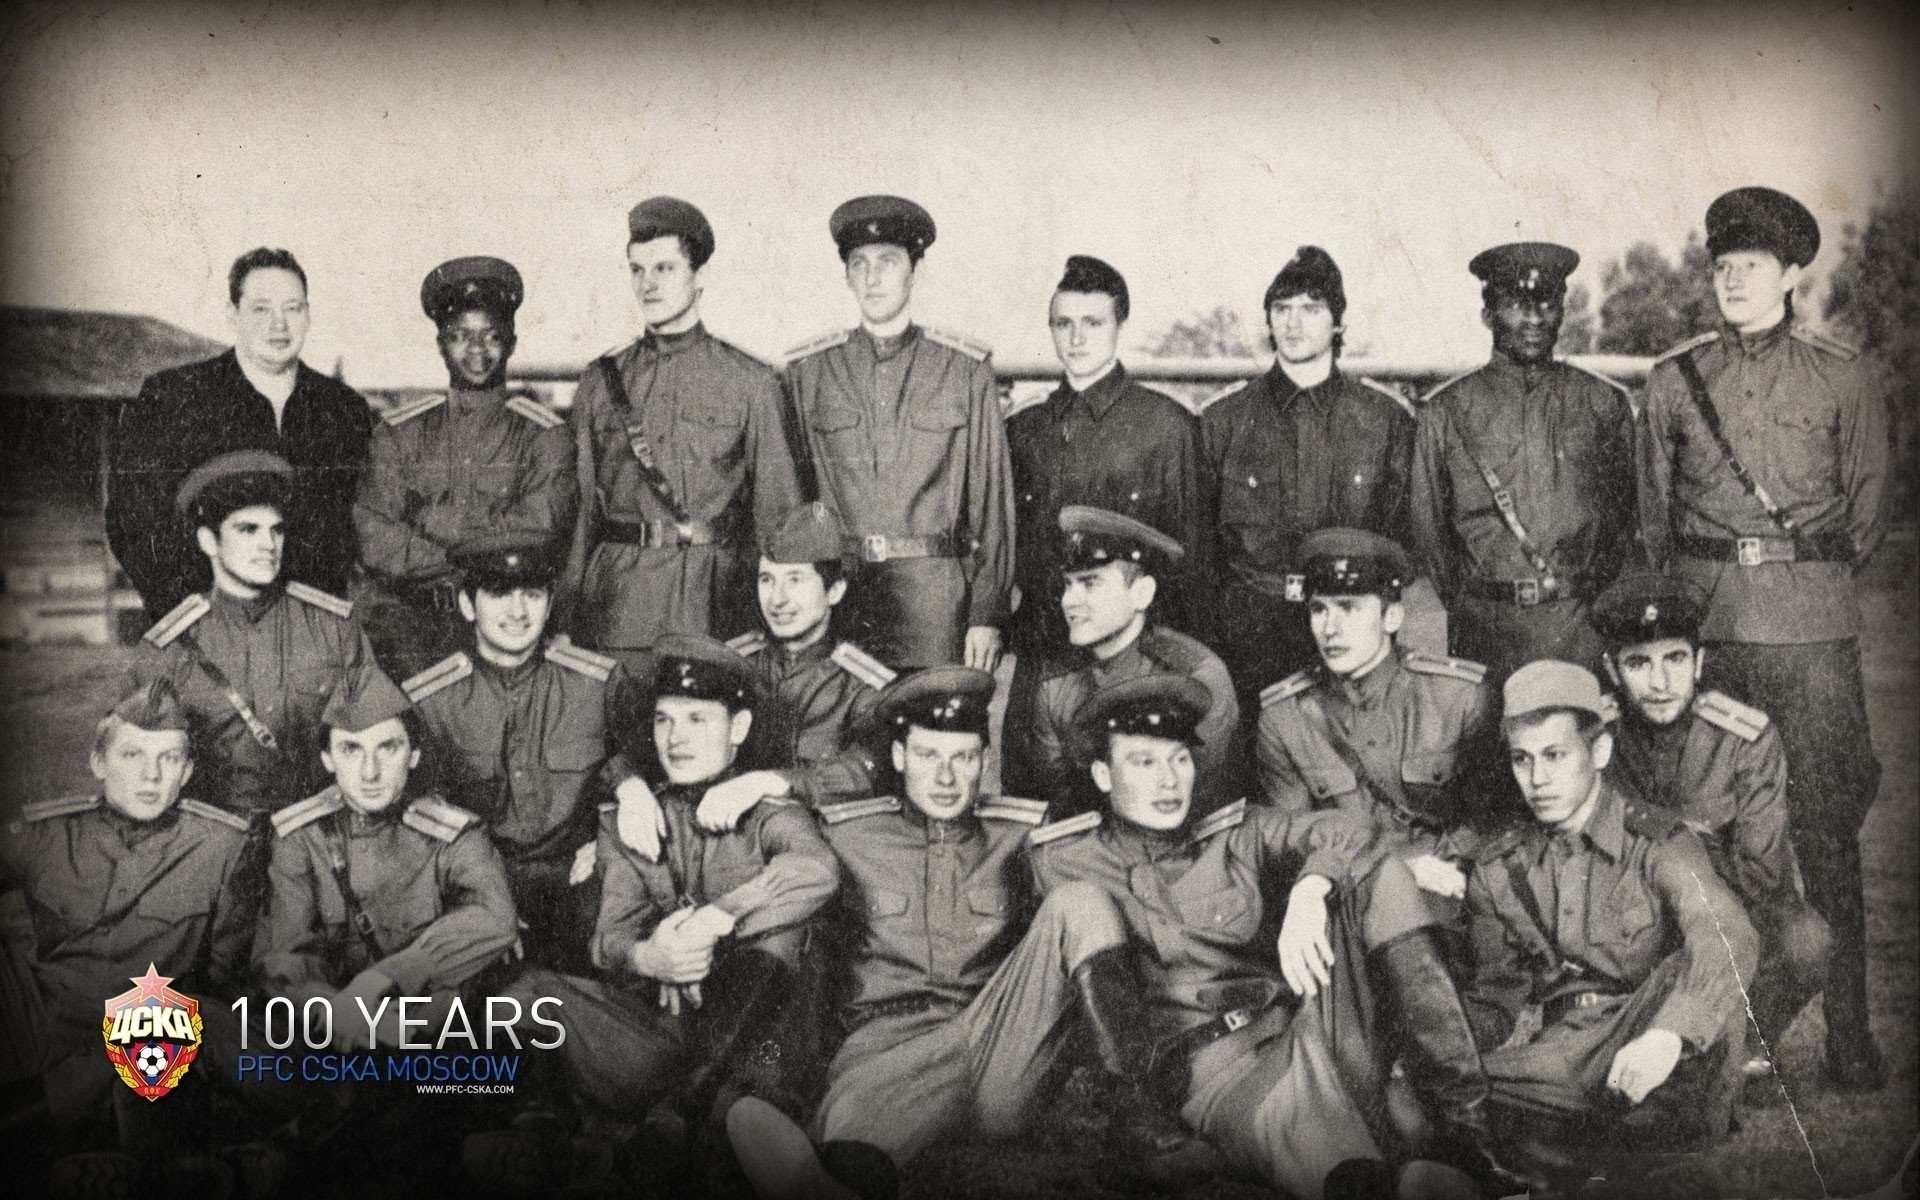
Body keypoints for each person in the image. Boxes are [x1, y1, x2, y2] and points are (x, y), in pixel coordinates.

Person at [726, 668, 1196, 1198]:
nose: (947, 777)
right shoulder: (847, 836)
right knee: (854, 1130)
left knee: (1081, 902)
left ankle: (1141, 1115)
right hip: (889, 1051)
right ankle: (834, 1173)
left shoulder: (1025, 834)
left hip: (997, 1042)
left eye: (965, 758)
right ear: (900, 758)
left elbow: (1112, 876)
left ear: (984, 763)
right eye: (929, 756)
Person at [1031, 675, 1494, 1200]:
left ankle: (1467, 1132)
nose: (1169, 781)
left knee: (1381, 873)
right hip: (1217, 1072)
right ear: (1102, 774)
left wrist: (1309, 891)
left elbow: (1347, 832)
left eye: (1180, 759)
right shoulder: (1062, 863)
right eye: (1144, 762)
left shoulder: (1236, 833)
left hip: (1308, 1026)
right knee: (1344, 1171)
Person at [1636, 185, 1889, 1091]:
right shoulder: (1674, 382)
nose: (1733, 278)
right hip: (1715, 635)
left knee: (1826, 836)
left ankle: (1851, 1038)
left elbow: (1863, 519)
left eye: (1753, 265)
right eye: (1722, 264)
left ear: (1791, 274)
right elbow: (1653, 524)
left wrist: (1787, 576)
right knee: (1702, 834)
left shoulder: (1842, 377)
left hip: (1814, 638)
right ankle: (1712, 1028)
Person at [484, 635, 839, 1182]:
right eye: (664, 721)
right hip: (665, 1037)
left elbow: (816, 871)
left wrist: (714, 923)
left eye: (698, 719)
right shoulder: (634, 818)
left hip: (756, 1053)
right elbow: (609, 939)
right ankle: (545, 1134)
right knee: (527, 995)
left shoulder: (770, 814)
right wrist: (652, 957)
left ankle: (685, 1125)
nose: (677, 738)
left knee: (785, 940)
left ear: (738, 730)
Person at [1464, 660, 1757, 1191]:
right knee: (1418, 1099)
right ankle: (1594, 1174)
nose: (1538, 779)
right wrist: (1435, 1041)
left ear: (1597, 752)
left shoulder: (1659, 843)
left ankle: (1582, 1170)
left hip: (1655, 1040)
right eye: (1522, 760)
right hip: (1564, 1062)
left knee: (1691, 968)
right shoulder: (1499, 870)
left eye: (1555, 756)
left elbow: (1729, 933)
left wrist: (1667, 1035)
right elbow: (1494, 1000)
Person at [1, 681, 258, 1193]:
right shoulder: (44, 835)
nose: (151, 775)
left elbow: (228, 969)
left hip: (149, 1041)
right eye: (132, 754)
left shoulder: (222, 846)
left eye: (169, 759)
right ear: (98, 762)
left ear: (186, 771)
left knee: (166, 1016)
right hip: (53, 1025)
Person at [1590, 572, 1833, 1088]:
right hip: (1630, 917)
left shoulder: (1744, 738)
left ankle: (1737, 1044)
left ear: (1699, 663)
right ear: (1612, 669)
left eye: (1675, 660)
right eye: (1639, 663)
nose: (1659, 683)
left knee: (1806, 940)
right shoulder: (1596, 735)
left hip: (1728, 910)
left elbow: (1764, 877)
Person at [565, 196, 805, 668]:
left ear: (701, 277)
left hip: (714, 601)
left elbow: (778, 514)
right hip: (620, 603)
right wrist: (568, 616)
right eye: (637, 270)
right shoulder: (602, 381)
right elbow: (579, 516)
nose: (648, 285)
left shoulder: (750, 382)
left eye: (664, 268)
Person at [1002, 254, 1207, 795]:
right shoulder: (1024, 431)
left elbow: (1193, 560)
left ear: (1119, 325)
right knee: (1033, 797)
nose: (1076, 338)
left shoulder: (1166, 427)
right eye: (1062, 323)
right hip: (1045, 654)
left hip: (1134, 657)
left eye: (1093, 322)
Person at [784, 195, 1013, 670]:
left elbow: (992, 504)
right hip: (843, 603)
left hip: (935, 607)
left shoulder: (962, 370)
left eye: (887, 262)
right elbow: (796, 503)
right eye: (859, 264)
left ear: (916, 271)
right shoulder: (811, 373)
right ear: (846, 276)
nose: (872, 277)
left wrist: (985, 614)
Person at [131, 451, 382, 872]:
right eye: (248, 529)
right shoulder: (169, 649)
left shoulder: (334, 628)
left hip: (321, 850)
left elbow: (378, 736)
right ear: (208, 541)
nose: (269, 545)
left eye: (277, 530)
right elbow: (136, 770)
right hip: (211, 855)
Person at [403, 533, 635, 970]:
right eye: (499, 594)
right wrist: (484, 901)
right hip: (480, 884)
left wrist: (613, 832)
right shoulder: (430, 700)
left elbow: (642, 771)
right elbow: (419, 817)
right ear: (468, 605)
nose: (518, 611)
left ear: (549, 604)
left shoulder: (599, 683)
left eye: (532, 594)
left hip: (577, 881)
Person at [1410, 242, 1638, 679]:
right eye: (1516, 305)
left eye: (1547, 304)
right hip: (1486, 630)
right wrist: (1476, 603)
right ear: (1488, 315)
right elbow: (1432, 536)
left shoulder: (1602, 403)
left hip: (1579, 629)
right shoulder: (1445, 412)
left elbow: (1623, 523)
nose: (1533, 319)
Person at [257, 666, 517, 1047]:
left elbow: (496, 918)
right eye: (351, 749)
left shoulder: (451, 833)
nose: (370, 771)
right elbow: (283, 960)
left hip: (427, 1036)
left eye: (388, 748)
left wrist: (385, 978)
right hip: (332, 1036)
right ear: (328, 758)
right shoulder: (300, 837)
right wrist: (333, 1009)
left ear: (414, 754)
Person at [1200, 246, 1418, 699]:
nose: (1293, 323)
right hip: (1250, 639)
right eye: (1281, 309)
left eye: (1311, 309)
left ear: (1338, 323)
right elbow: (1202, 550)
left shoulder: (1385, 422)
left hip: (1352, 638)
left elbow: (1405, 542)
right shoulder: (1223, 421)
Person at [108, 247, 371, 620]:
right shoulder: (175, 397)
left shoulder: (345, 410)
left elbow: (358, 527)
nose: (279, 325)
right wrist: (189, 614)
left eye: (293, 308)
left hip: (317, 635)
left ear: (308, 315)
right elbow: (131, 520)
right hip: (209, 630)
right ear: (233, 314)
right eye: (261, 309)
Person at [1255, 528, 1503, 920]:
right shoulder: (1284, 717)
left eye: (1348, 607)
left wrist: (1442, 865)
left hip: (1449, 889)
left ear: (1391, 616)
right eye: (1319, 609)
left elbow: (1489, 819)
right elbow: (1294, 840)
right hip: (1346, 899)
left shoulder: (1458, 697)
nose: (1329, 629)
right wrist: (1399, 869)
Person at [354, 256, 577, 681]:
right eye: (459, 336)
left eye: (491, 336)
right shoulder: (399, 434)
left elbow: (537, 533)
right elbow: (374, 536)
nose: (476, 350)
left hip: (503, 637)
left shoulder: (545, 437)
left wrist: (425, 528)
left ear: (511, 342)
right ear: (440, 343)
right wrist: (479, 548)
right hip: (408, 634)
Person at [1029, 505, 1240, 816]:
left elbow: (1199, 805)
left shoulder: (1198, 678)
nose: (1069, 601)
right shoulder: (1056, 686)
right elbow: (1061, 806)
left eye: (1090, 583)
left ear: (1142, 593)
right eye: (1067, 585)